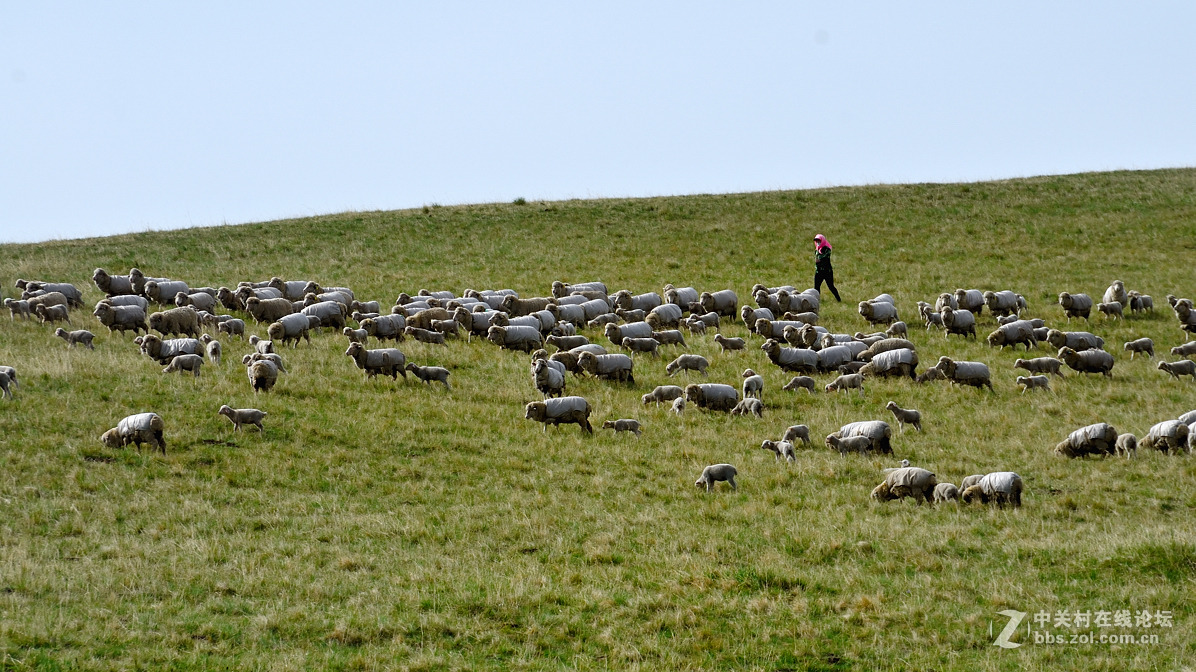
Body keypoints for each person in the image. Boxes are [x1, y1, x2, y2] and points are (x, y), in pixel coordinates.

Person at [813, 234, 841, 302]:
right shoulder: (817, 250)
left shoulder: (826, 249)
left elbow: (824, 257)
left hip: (827, 271)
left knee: (831, 286)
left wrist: (819, 259)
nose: (817, 242)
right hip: (818, 271)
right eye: (816, 241)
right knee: (816, 287)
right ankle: (817, 300)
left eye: (819, 240)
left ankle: (838, 299)